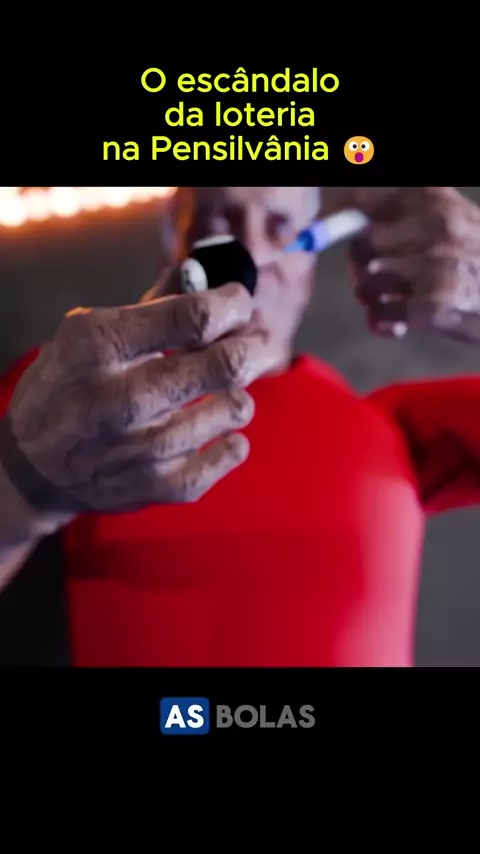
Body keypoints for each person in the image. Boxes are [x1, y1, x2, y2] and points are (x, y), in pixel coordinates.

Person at [2, 186, 480, 667]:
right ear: (173, 248)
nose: (250, 251)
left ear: (308, 272)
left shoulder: (392, 430)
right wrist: (25, 490)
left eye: (280, 227)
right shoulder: (71, 402)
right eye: (219, 222)